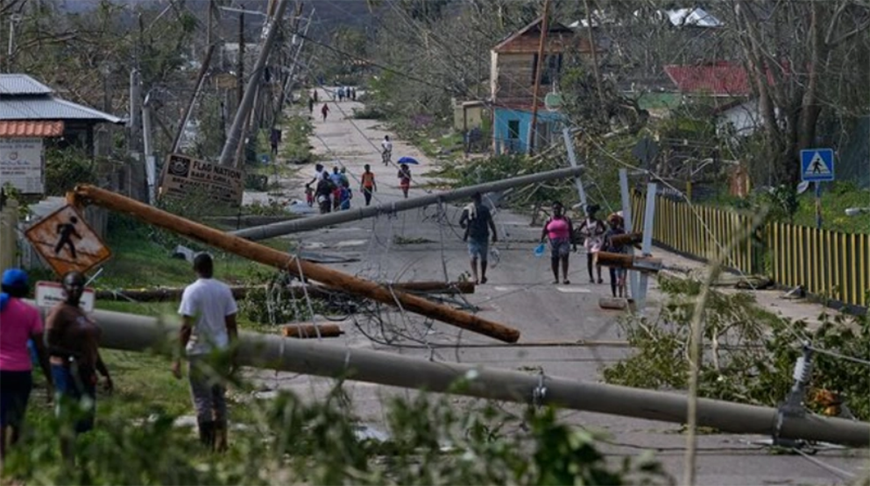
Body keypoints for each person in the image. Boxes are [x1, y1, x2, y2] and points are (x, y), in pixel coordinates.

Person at [173, 254, 238, 452]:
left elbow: (186, 327)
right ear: (212, 268)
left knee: (202, 399)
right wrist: (234, 355)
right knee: (218, 398)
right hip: (220, 352)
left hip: (200, 352)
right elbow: (232, 326)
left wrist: (177, 358)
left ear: (195, 269)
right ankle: (222, 442)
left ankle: (207, 445)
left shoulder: (192, 291)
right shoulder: (224, 290)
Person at [46, 271, 113, 459]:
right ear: (64, 288)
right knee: (68, 417)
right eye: (71, 285)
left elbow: (92, 348)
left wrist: (105, 373)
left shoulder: (81, 312)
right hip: (66, 371)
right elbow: (47, 344)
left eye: (79, 285)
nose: (75, 289)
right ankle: (67, 463)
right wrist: (72, 355)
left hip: (86, 371)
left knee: (83, 419)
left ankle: (74, 457)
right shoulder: (59, 311)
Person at [0, 269, 51, 467]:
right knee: (17, 418)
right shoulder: (30, 313)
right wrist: (49, 377)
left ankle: (2, 461)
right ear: (24, 290)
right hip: (21, 372)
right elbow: (40, 347)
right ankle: (14, 459)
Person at [459, 192, 497, 284]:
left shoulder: (467, 209)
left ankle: (475, 277)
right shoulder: (485, 209)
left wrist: (464, 226)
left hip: (472, 235)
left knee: (473, 257)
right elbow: (490, 222)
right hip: (484, 235)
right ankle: (483, 276)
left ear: (472, 199)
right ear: (480, 199)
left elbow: (460, 221)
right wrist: (495, 234)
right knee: (483, 258)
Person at [540, 202, 575, 284]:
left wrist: (574, 244)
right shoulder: (549, 220)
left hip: (564, 240)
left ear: (561, 209)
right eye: (555, 208)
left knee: (564, 256)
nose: (556, 210)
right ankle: (556, 278)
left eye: (558, 208)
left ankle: (565, 278)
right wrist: (541, 239)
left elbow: (571, 231)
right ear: (552, 209)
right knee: (554, 259)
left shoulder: (566, 219)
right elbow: (545, 230)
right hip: (553, 241)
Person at [577, 204, 606, 284]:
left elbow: (605, 230)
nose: (590, 214)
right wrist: (585, 234)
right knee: (589, 259)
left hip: (596, 241)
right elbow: (579, 230)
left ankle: (599, 277)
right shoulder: (586, 221)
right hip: (589, 241)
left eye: (592, 212)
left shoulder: (598, 221)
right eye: (589, 212)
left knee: (597, 259)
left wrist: (599, 232)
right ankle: (591, 277)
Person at [603, 213, 628, 298]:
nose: (613, 223)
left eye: (615, 221)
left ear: (618, 222)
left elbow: (626, 243)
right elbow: (603, 245)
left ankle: (620, 295)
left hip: (620, 255)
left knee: (620, 275)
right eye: (612, 221)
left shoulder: (621, 232)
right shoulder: (608, 233)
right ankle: (614, 294)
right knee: (612, 276)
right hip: (610, 255)